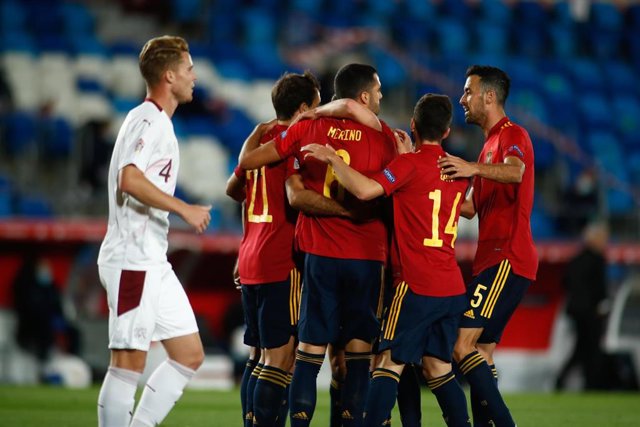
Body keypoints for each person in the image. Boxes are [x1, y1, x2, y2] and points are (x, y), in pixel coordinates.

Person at [239, 63, 401, 427]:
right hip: (366, 257)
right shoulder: (385, 136)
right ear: (363, 96)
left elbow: (250, 163)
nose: (381, 96)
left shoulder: (308, 127)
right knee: (358, 357)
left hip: (319, 257)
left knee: (308, 357)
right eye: (377, 91)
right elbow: (397, 194)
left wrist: (260, 132)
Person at [304, 93, 471, 427]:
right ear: (448, 131)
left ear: (413, 125)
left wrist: (333, 160)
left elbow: (366, 191)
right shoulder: (458, 170)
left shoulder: (407, 166)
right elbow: (450, 200)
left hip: (415, 285)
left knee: (387, 363)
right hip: (451, 286)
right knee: (438, 367)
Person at [96, 35, 212, 427]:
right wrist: (183, 208)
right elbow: (129, 179)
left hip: (151, 260)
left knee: (189, 353)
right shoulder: (148, 120)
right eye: (188, 69)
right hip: (132, 258)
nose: (194, 76)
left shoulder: (154, 121)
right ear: (169, 76)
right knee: (128, 361)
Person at [438, 65, 538, 427]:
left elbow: (516, 172)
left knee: (461, 345)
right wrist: (428, 186)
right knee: (481, 351)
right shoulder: (485, 149)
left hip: (506, 257)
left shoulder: (512, 135)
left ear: (489, 96)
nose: (462, 99)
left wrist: (472, 169)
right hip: (492, 260)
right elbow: (468, 210)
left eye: (468, 91)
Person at [555, 220, 610, 390]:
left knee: (581, 348)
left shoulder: (576, 259)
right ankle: (590, 384)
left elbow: (565, 282)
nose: (604, 241)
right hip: (591, 312)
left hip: (576, 311)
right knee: (591, 349)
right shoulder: (597, 259)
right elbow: (599, 288)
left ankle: (562, 380)